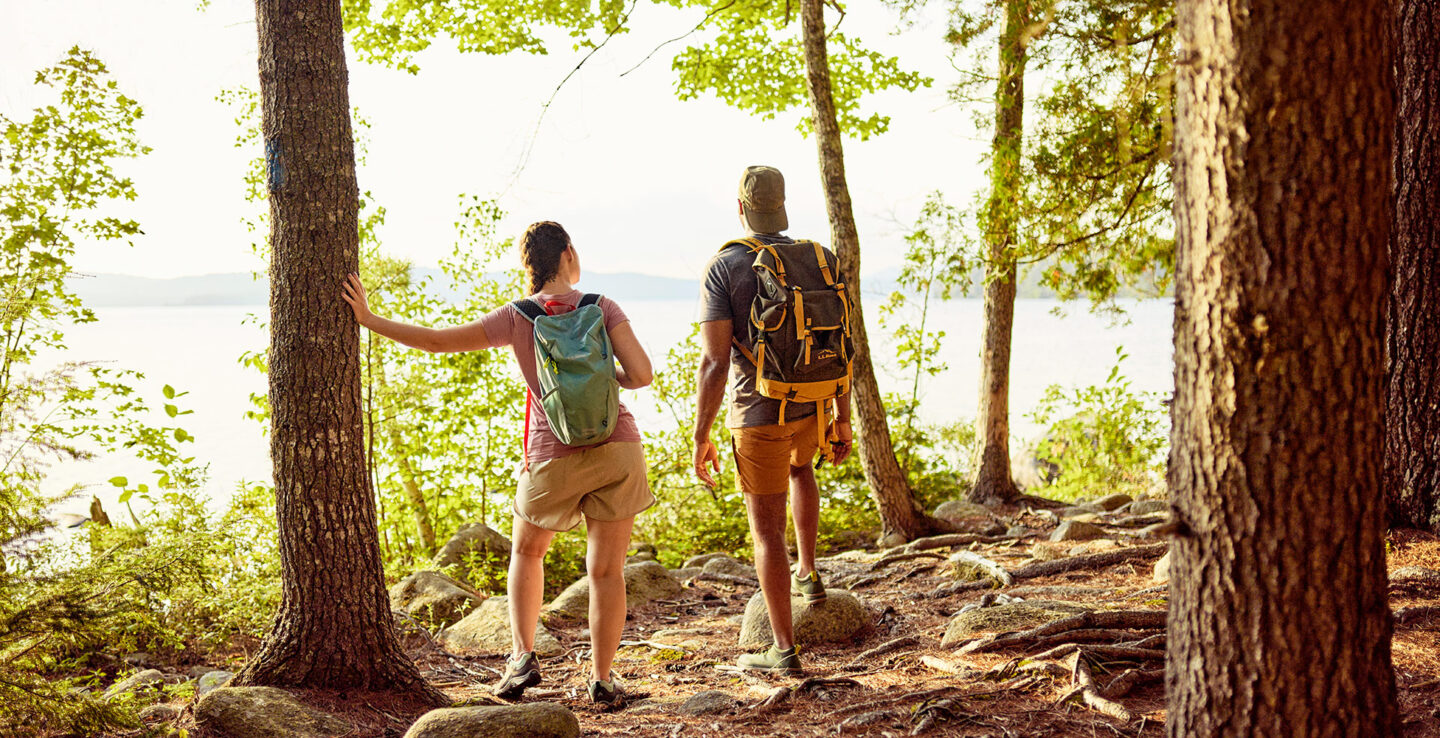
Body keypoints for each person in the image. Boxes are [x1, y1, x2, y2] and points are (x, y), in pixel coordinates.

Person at [340, 221, 655, 704]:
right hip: (619, 448)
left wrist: (369, 319)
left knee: (528, 552)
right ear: (569, 253)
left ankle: (522, 659)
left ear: (526, 266)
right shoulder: (603, 306)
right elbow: (642, 374)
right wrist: (602, 374)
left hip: (551, 454)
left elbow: (436, 341)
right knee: (606, 572)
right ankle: (603, 681)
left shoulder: (518, 316)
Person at [692, 165, 853, 674]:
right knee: (802, 471)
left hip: (757, 410)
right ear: (782, 206)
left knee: (766, 533)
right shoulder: (820, 259)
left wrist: (700, 436)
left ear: (741, 207)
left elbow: (716, 362)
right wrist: (842, 417)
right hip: (813, 401)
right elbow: (845, 346)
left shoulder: (725, 266)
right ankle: (809, 571)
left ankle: (782, 650)